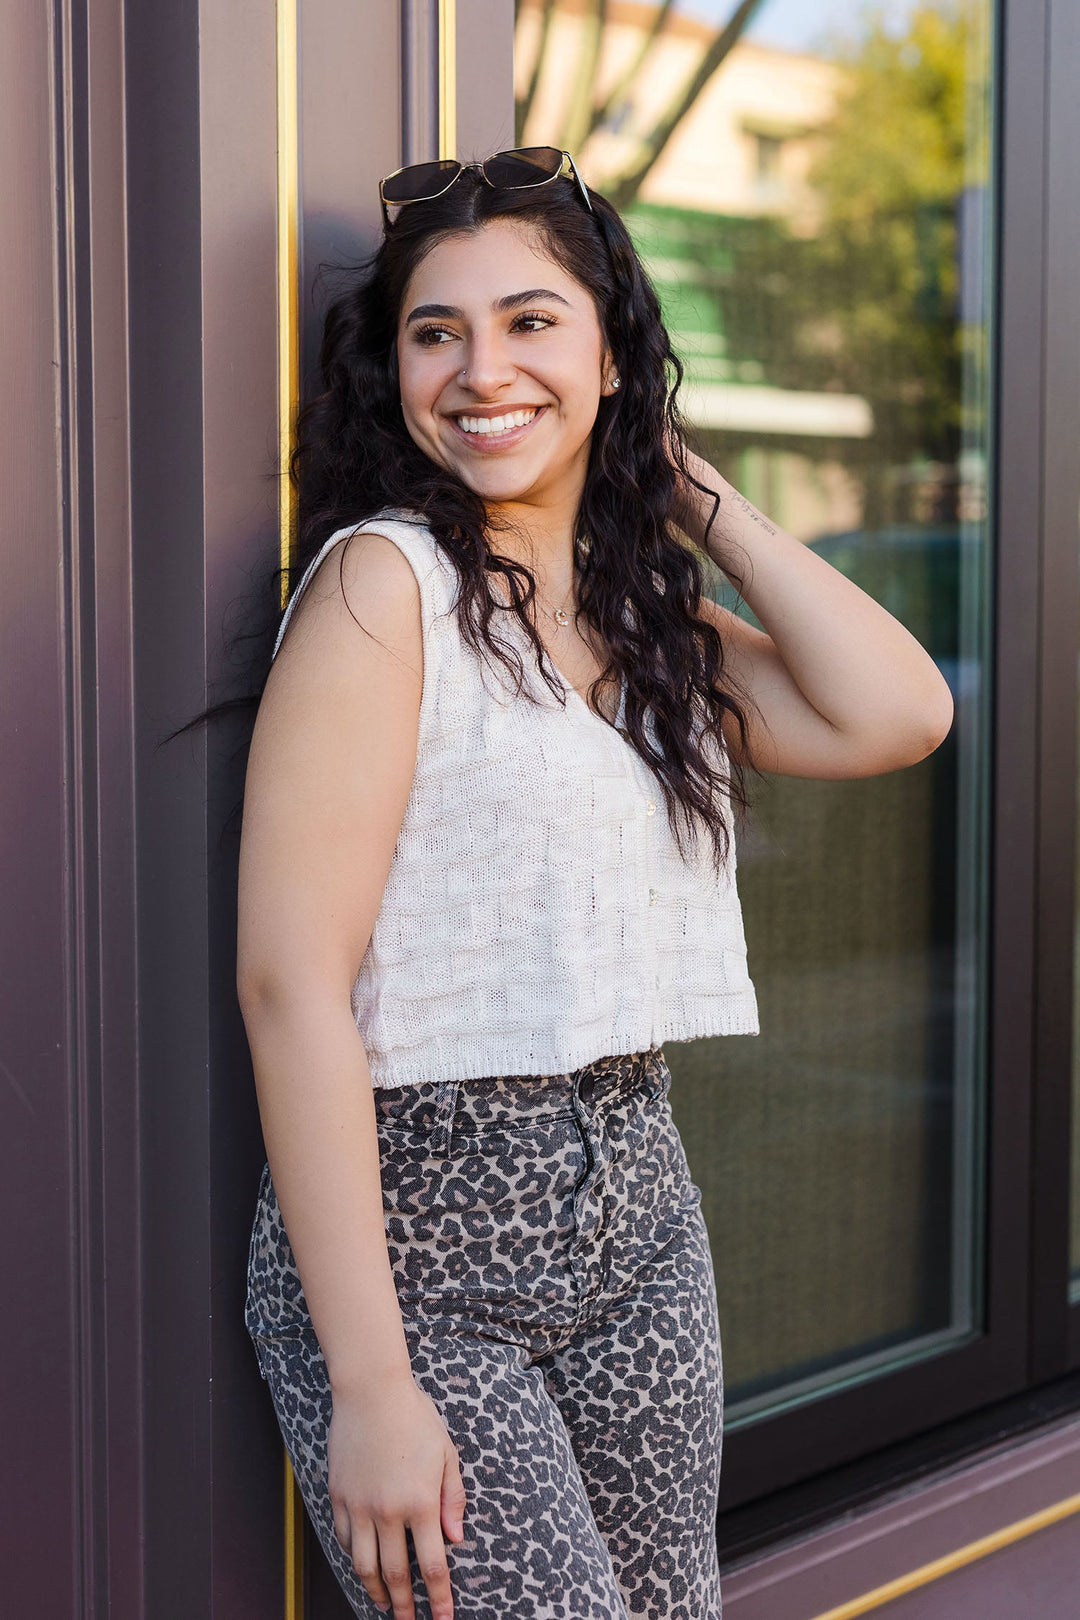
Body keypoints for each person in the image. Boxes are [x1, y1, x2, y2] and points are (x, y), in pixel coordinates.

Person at [237, 147, 954, 1620]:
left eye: (530, 322)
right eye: (438, 332)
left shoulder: (642, 620)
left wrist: (688, 493)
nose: (480, 368)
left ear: (615, 352)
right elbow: (290, 983)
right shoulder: (391, 588)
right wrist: (370, 1379)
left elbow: (900, 713)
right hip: (423, 1243)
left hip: (636, 1206)